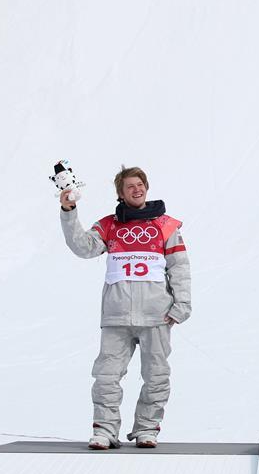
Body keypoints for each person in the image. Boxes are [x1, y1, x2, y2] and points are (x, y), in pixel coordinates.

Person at [59, 165, 191, 449]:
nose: (136, 189)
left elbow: (179, 267)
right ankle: (105, 431)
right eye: (130, 186)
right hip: (117, 316)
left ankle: (147, 430)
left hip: (157, 316)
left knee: (156, 376)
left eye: (140, 184)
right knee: (106, 377)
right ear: (121, 193)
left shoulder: (166, 225)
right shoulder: (108, 225)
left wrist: (181, 306)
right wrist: (69, 211)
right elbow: (83, 247)